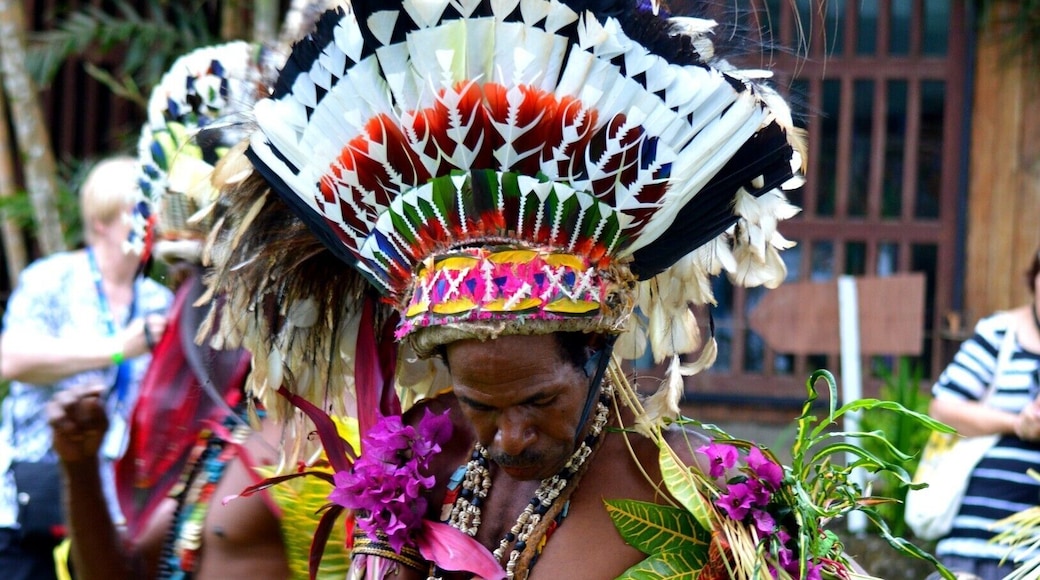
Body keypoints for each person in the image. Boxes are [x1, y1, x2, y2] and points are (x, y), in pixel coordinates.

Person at [198, 1, 916, 578]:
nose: (509, 436)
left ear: (597, 354)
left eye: (540, 400)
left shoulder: (704, 493)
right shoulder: (411, 474)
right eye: (481, 405)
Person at [48, 40, 349, 580]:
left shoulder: (347, 434)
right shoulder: (229, 433)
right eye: (193, 276)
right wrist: (78, 465)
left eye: (222, 273)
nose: (202, 299)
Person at [0, 156, 173, 580]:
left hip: (115, 509)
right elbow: (12, 360)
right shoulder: (53, 277)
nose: (150, 224)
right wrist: (116, 349)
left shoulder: (159, 299)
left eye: (155, 213)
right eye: (138, 213)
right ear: (101, 221)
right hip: (30, 500)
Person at [928, 248, 1040, 580]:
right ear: (1034, 278)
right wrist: (1016, 423)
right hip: (976, 541)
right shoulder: (1001, 333)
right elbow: (943, 408)